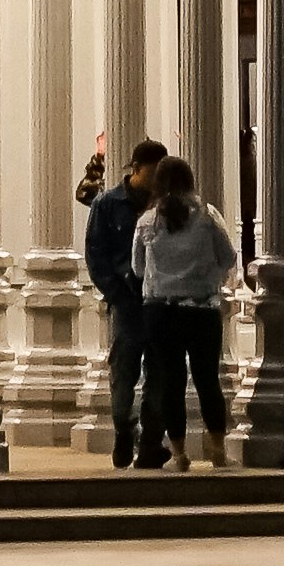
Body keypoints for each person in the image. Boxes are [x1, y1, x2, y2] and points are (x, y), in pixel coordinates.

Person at [131, 156, 238, 467]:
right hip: (201, 309)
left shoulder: (146, 221)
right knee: (208, 380)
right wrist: (206, 274)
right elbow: (229, 256)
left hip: (159, 311)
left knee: (170, 382)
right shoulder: (207, 216)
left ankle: (179, 454)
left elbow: (138, 268)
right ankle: (217, 450)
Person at [86, 146, 157, 465]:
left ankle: (151, 439)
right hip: (127, 299)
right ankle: (124, 432)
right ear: (137, 168)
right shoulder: (108, 203)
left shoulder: (165, 205)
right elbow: (96, 253)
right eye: (153, 171)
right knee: (124, 370)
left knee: (159, 372)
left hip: (159, 299)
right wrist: (115, 291)